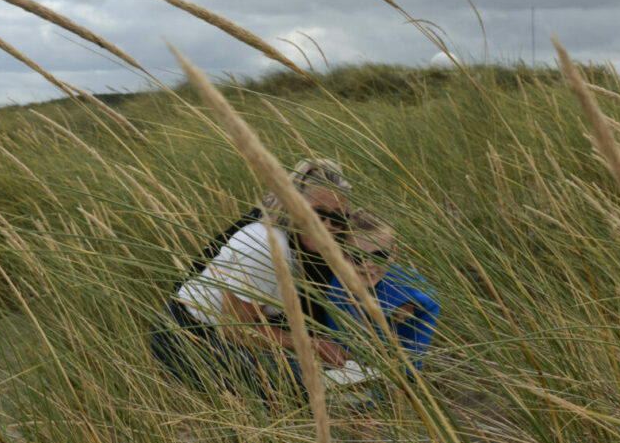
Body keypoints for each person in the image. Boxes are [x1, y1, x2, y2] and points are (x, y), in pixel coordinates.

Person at [151, 158, 353, 401]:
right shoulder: (268, 248)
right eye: (318, 214)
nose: (328, 226)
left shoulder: (296, 241)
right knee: (306, 388)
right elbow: (233, 330)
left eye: (339, 219)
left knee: (323, 378)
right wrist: (313, 344)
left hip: (215, 331)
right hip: (186, 338)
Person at [324, 210, 439, 372]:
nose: (368, 264)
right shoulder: (338, 286)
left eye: (379, 256)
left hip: (398, 366)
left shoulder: (400, 280)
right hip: (358, 366)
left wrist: (412, 363)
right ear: (343, 256)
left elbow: (432, 301)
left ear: (393, 255)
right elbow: (338, 331)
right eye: (358, 256)